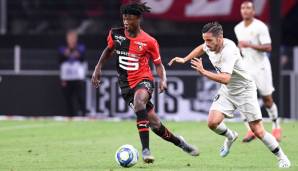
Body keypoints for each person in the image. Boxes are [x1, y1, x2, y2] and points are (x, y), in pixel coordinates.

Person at [168, 22, 290, 168]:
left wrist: (203, 72)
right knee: (212, 122)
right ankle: (230, 136)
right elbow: (201, 48)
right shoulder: (208, 45)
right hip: (228, 91)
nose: (206, 44)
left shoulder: (229, 50)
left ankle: (282, 158)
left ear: (220, 38)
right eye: (204, 39)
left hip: (244, 90)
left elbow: (226, 78)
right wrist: (185, 59)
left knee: (257, 130)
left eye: (209, 40)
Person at [91, 2, 199, 163]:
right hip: (125, 86)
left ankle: (146, 150)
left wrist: (163, 79)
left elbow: (158, 64)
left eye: (130, 19)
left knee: (139, 101)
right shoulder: (115, 34)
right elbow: (108, 49)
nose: (126, 22)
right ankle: (180, 143)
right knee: (155, 124)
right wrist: (98, 68)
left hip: (144, 80)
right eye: (124, 19)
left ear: (139, 19)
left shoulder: (149, 41)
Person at [234, 1, 281, 142]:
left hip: (261, 67)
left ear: (253, 11)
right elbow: (241, 48)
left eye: (248, 8)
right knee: (242, 99)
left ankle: (276, 126)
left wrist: (249, 44)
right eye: (243, 8)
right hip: (246, 67)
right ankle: (250, 131)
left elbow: (268, 47)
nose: (245, 10)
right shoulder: (238, 28)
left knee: (267, 100)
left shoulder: (260, 26)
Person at [59, 30, 88, 117]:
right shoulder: (62, 48)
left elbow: (80, 55)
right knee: (68, 99)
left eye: (73, 38)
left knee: (80, 98)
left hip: (78, 77)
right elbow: (61, 59)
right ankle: (70, 116)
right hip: (67, 78)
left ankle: (83, 115)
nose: (71, 40)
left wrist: (71, 51)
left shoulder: (81, 47)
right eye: (69, 38)